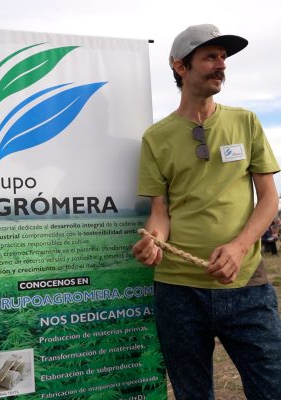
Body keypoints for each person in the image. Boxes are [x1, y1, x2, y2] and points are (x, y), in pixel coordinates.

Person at [132, 25, 281, 399]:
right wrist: (154, 239)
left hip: (246, 284)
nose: (221, 65)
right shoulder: (156, 137)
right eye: (210, 57)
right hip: (178, 290)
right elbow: (160, 213)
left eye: (223, 58)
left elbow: (268, 199)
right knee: (192, 394)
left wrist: (239, 247)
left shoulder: (245, 121)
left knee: (271, 388)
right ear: (180, 66)